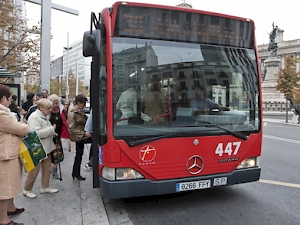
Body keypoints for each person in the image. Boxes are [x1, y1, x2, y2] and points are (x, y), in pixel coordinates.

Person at [0, 84, 30, 225]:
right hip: (5, 156)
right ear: (3, 99)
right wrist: (23, 125)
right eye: (9, 98)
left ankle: (11, 208)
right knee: (5, 188)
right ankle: (3, 219)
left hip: (9, 153)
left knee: (11, 185)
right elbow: (21, 129)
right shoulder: (1, 114)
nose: (10, 101)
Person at [23, 98, 58, 198]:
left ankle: (45, 187)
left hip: (46, 147)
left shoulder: (43, 116)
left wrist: (52, 131)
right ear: (41, 108)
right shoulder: (34, 117)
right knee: (34, 170)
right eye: (48, 108)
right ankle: (27, 189)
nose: (50, 110)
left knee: (47, 168)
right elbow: (35, 133)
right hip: (38, 148)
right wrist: (51, 130)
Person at [68, 95, 91, 180]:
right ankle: (77, 172)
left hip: (81, 135)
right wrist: (84, 133)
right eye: (83, 103)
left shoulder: (80, 111)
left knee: (79, 154)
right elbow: (71, 128)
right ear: (78, 103)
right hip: (79, 136)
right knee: (79, 154)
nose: (85, 105)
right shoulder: (73, 112)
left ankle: (76, 173)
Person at [48, 94, 63, 180]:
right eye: (53, 103)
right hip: (49, 134)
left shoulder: (60, 110)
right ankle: (48, 168)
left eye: (56, 103)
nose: (55, 105)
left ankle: (54, 169)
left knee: (57, 152)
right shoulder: (48, 111)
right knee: (49, 152)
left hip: (57, 134)